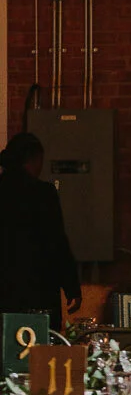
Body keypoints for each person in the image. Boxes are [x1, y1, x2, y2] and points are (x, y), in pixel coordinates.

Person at [0, 132, 81, 331]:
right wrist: (71, 286)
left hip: (4, 292)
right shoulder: (43, 193)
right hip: (38, 291)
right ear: (34, 159)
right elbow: (57, 243)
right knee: (40, 343)